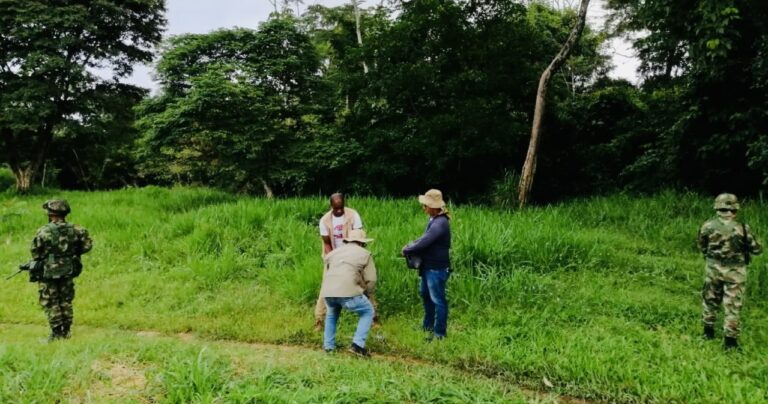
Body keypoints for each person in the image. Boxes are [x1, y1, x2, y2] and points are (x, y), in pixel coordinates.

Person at [698, 193, 762, 350]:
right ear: (734, 209)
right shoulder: (742, 228)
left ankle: (708, 332)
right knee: (732, 305)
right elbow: (756, 249)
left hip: (713, 268)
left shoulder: (707, 226)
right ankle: (730, 342)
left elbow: (702, 247)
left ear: (717, 207)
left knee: (710, 299)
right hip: (735, 271)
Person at [314, 193, 379, 330]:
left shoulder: (353, 215)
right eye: (335, 208)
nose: (339, 211)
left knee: (364, 283)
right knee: (326, 286)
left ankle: (374, 318)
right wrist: (332, 259)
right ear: (331, 206)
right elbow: (326, 243)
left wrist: (355, 257)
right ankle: (319, 320)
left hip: (353, 256)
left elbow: (358, 238)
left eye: (341, 208)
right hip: (333, 255)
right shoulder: (324, 220)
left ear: (344, 204)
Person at [31, 200, 93, 341]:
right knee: (65, 300)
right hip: (69, 269)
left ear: (50, 214)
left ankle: (56, 333)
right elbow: (87, 246)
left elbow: (35, 252)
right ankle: (66, 331)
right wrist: (72, 254)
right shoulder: (78, 230)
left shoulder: (43, 231)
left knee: (51, 301)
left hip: (49, 272)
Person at [402, 189, 451, 340]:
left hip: (436, 268)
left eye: (426, 205)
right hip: (428, 266)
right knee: (426, 296)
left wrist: (407, 249)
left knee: (438, 300)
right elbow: (424, 238)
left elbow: (426, 241)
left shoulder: (440, 223)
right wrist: (412, 244)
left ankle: (439, 334)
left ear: (434, 206)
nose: (424, 208)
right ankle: (427, 326)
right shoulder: (434, 219)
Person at [321, 229, 377, 356]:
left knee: (332, 314)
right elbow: (371, 279)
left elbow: (326, 273)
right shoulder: (365, 254)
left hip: (328, 291)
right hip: (349, 292)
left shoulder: (333, 253)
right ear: (362, 243)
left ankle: (328, 346)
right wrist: (366, 293)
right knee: (368, 311)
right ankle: (357, 345)